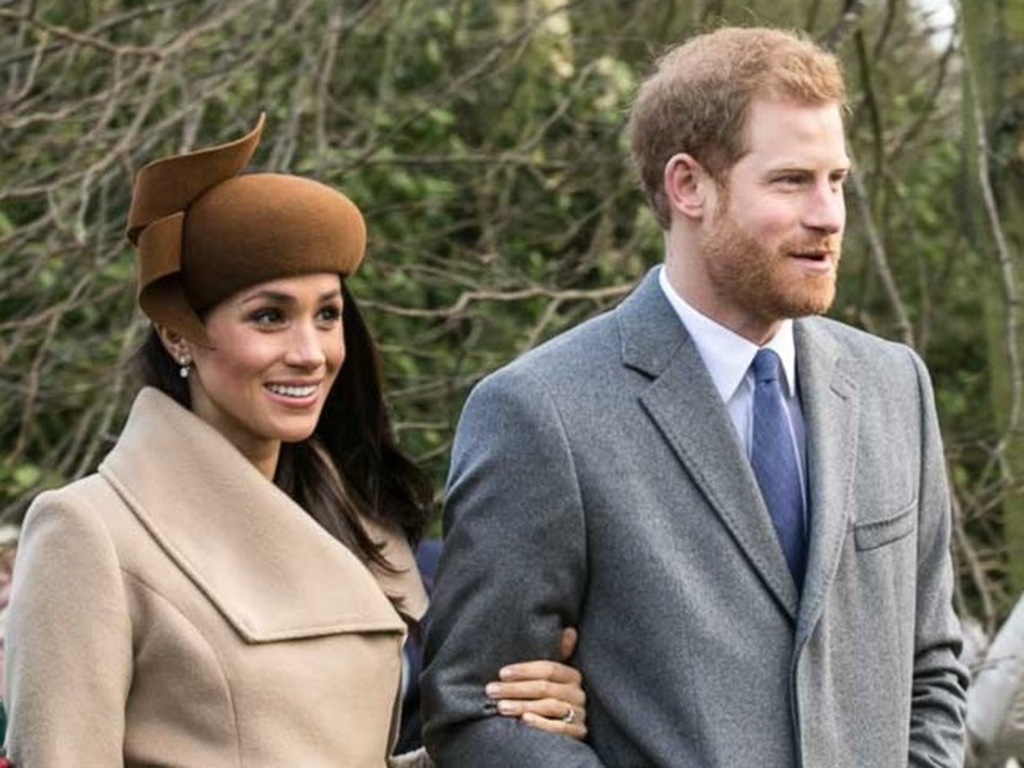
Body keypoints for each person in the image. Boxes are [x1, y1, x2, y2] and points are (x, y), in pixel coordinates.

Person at [422, 26, 968, 767]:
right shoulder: (539, 412)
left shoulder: (894, 386)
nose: (829, 214)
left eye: (836, 180)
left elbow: (933, 672)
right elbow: (474, 715)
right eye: (791, 181)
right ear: (688, 186)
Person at [3, 114, 587, 767]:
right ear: (178, 335)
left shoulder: (354, 521)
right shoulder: (87, 533)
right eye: (269, 316)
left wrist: (514, 719)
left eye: (327, 314)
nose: (310, 353)